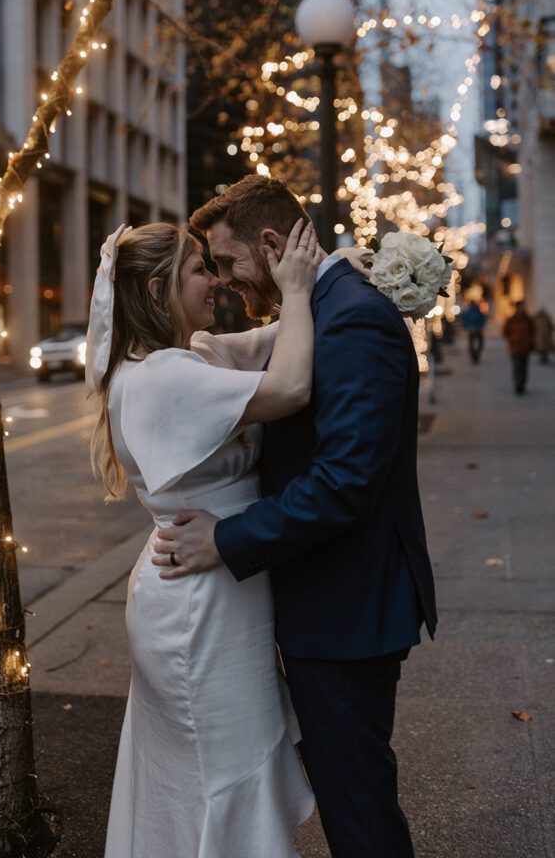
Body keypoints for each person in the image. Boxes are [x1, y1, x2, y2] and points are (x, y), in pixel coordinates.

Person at [154, 175, 437, 858]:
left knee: (357, 805)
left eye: (226, 262)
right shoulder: (326, 306)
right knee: (350, 796)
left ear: (273, 243)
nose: (224, 282)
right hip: (330, 599)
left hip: (346, 608)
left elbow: (344, 482)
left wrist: (226, 538)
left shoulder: (354, 317)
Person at [87, 218, 325, 857]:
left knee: (207, 771)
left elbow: (266, 343)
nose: (215, 282)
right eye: (199, 269)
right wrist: (298, 293)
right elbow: (291, 386)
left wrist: (336, 272)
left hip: (209, 585)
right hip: (199, 604)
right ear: (160, 289)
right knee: (218, 768)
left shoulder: (181, 360)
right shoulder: (164, 377)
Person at [503, 300, 535, 394]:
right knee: (517, 366)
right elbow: (505, 332)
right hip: (515, 348)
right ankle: (518, 385)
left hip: (525, 347)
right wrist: (513, 339)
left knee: (524, 367)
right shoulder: (512, 320)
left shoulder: (528, 320)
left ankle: (522, 384)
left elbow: (533, 331)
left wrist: (531, 341)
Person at [461, 299, 487, 364]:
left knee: (475, 344)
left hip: (475, 329)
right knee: (475, 344)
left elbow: (482, 319)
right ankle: (475, 356)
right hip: (474, 329)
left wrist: (467, 326)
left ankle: (475, 356)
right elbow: (466, 320)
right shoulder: (472, 311)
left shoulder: (471, 311)